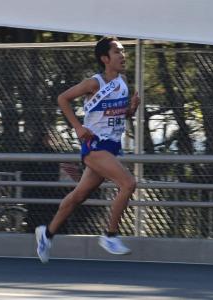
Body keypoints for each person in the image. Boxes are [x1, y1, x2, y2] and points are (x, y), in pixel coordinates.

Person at [35, 36, 140, 263]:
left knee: (78, 196)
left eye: (123, 51)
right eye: (117, 52)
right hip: (94, 145)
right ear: (104, 58)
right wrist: (78, 127)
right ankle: (110, 235)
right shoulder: (94, 83)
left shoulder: (122, 82)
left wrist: (131, 109)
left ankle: (47, 234)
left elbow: (120, 115)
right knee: (128, 184)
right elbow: (62, 99)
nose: (123, 56)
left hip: (111, 147)